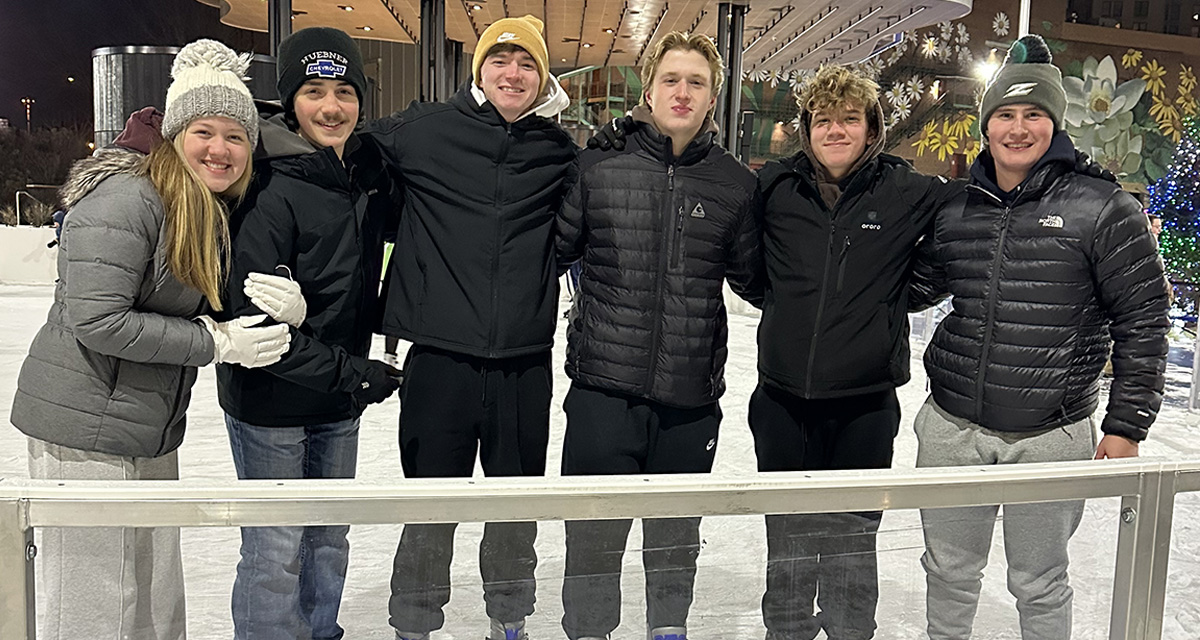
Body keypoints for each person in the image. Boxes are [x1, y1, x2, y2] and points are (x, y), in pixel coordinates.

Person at [9, 39, 292, 640]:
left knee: (153, 596)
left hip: (145, 425)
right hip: (83, 430)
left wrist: (290, 305)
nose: (221, 148)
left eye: (236, 136)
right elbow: (99, 320)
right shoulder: (128, 197)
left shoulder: (198, 206)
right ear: (173, 132)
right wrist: (213, 343)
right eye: (205, 131)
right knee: (94, 604)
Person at [908, 35, 1170, 640]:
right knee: (948, 569)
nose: (1018, 128)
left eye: (1034, 115)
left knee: (1039, 580)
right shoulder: (958, 207)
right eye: (1005, 114)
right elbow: (915, 287)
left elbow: (1144, 316)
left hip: (1049, 433)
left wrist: (1127, 425)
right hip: (952, 427)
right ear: (986, 124)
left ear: (1055, 123)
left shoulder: (1102, 207)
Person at [363, 15, 576, 640]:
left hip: (523, 362)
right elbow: (339, 144)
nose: (513, 73)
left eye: (528, 63)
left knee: (514, 509)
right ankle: (414, 623)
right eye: (501, 59)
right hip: (440, 360)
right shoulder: (422, 131)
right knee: (431, 508)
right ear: (479, 68)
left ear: (543, 79)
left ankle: (509, 620)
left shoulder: (558, 152)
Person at [554, 31, 762, 640]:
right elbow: (551, 250)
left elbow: (757, 279)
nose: (682, 91)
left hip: (689, 400)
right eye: (671, 79)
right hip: (602, 392)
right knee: (592, 545)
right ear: (649, 90)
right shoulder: (599, 166)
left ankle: (667, 630)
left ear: (714, 97)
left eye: (697, 82)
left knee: (674, 546)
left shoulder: (734, 184)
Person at [747, 65, 961, 640]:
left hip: (864, 405)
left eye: (849, 119)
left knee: (851, 540)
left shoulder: (908, 190)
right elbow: (748, 269)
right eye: (823, 120)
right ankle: (786, 631)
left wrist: (892, 298)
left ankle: (849, 632)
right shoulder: (775, 186)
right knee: (786, 539)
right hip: (782, 400)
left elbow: (970, 220)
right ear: (806, 128)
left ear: (872, 129)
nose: (835, 130)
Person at [213, 27, 402, 640]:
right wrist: (359, 374)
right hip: (271, 402)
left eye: (345, 90)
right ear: (289, 99)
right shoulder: (264, 184)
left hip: (336, 399)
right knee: (275, 551)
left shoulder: (365, 175)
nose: (331, 106)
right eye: (315, 90)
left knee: (327, 542)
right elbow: (260, 331)